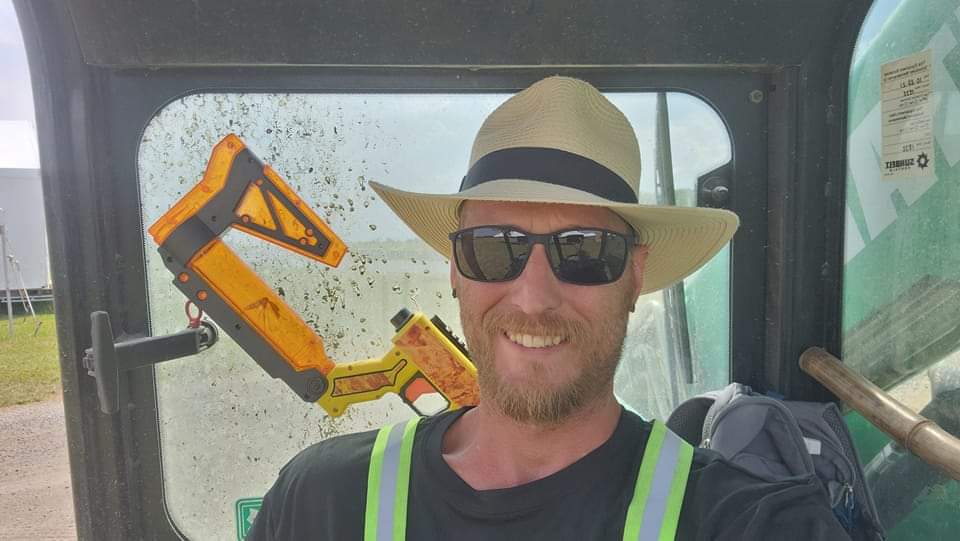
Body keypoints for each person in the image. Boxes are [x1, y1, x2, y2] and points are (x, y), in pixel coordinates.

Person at [247, 76, 850, 540]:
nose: (533, 298)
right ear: (455, 269)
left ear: (634, 274)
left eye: (584, 252)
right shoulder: (319, 504)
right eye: (493, 249)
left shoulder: (750, 523)